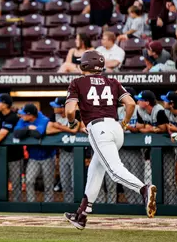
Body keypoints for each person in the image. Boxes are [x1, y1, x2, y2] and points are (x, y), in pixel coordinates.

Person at [64, 50, 157, 230]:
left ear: (85, 65)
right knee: (95, 170)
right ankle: (81, 214)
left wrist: (72, 122)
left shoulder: (77, 82)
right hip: (115, 127)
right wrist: (124, 122)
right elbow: (130, 104)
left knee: (114, 171)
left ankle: (143, 189)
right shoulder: (112, 81)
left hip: (98, 128)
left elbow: (69, 111)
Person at [14, 104, 55, 203]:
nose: (22, 116)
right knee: (29, 181)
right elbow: (16, 133)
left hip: (47, 156)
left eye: (24, 114)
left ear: (31, 115)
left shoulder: (43, 119)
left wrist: (26, 131)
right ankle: (31, 203)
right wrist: (28, 128)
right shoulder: (23, 120)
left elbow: (38, 134)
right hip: (33, 156)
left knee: (48, 183)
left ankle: (48, 204)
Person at [45, 97, 81, 203]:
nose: (54, 108)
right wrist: (65, 129)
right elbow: (48, 130)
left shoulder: (75, 113)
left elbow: (74, 130)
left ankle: (77, 204)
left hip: (76, 152)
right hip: (63, 152)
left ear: (63, 107)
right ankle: (68, 205)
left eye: (56, 106)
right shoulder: (54, 116)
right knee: (65, 182)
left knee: (76, 182)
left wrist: (58, 127)